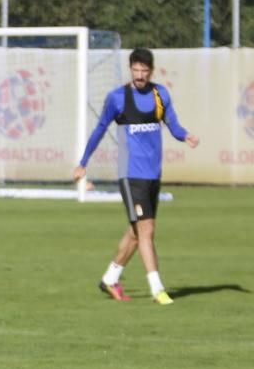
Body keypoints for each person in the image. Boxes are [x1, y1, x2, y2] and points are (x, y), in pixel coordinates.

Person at [74, 48, 199, 305]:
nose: (140, 75)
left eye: (144, 71)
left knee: (136, 232)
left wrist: (185, 135)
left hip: (154, 175)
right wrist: (83, 162)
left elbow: (173, 124)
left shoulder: (159, 94)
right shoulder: (117, 98)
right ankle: (158, 289)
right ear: (130, 69)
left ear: (151, 71)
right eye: (136, 70)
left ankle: (110, 278)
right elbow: (100, 130)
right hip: (131, 176)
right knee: (147, 230)